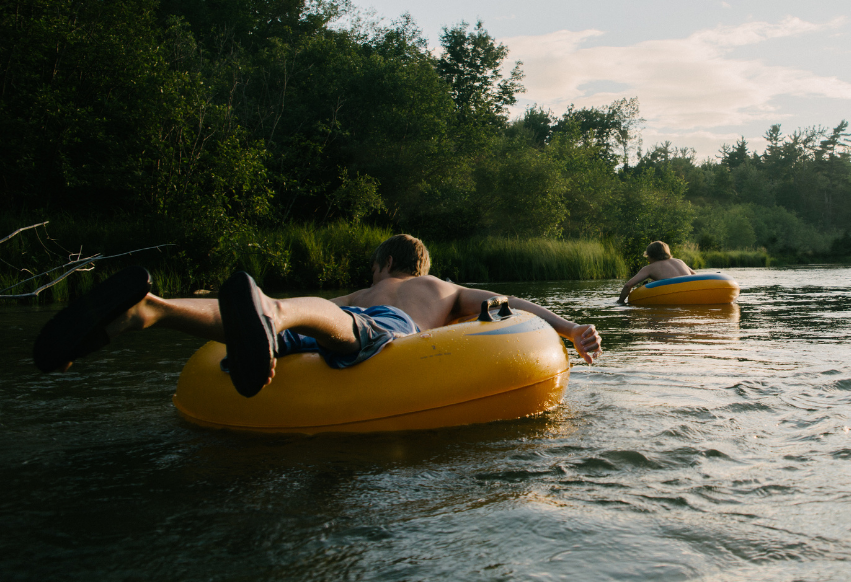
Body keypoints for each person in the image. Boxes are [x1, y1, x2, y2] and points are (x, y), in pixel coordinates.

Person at [33, 234, 602, 398]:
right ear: (420, 265)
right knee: (314, 321)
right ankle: (267, 315)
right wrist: (570, 328)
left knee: (292, 320)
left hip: (323, 324)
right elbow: (510, 308)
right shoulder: (441, 288)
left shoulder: (360, 291)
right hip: (380, 337)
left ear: (382, 263)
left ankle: (152, 311)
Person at [616, 241, 695, 304]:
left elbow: (628, 285)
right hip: (692, 294)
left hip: (674, 297)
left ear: (650, 255)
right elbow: (694, 275)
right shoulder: (679, 261)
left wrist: (620, 302)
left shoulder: (650, 268)